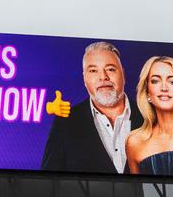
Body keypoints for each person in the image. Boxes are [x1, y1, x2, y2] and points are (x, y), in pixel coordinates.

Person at [41, 41, 143, 173]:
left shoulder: (150, 117)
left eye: (110, 69)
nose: (103, 77)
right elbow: (49, 183)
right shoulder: (65, 123)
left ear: (123, 75)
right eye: (93, 71)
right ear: (84, 79)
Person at [125, 56, 173, 176]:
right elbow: (136, 193)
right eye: (155, 81)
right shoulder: (135, 142)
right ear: (148, 93)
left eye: (172, 82)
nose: (164, 88)